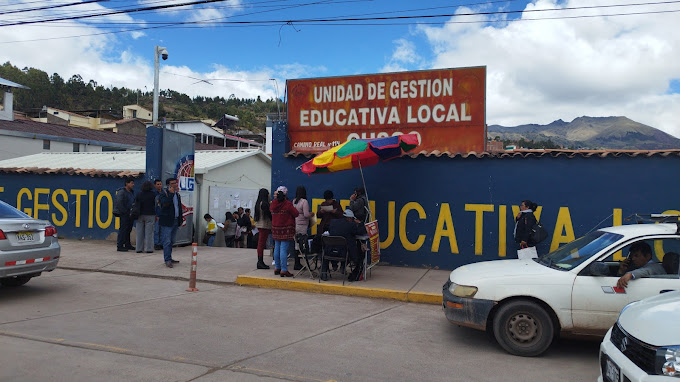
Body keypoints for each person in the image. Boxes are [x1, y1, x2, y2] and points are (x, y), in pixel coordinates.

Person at [322, 209, 368, 281]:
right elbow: (360, 232)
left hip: (330, 252)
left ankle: (323, 273)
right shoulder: (351, 225)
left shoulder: (333, 222)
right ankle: (344, 267)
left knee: (325, 252)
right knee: (358, 252)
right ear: (349, 218)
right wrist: (360, 223)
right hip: (344, 254)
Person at [270, 186, 299, 277]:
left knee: (277, 247)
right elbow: (296, 213)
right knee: (283, 249)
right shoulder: (287, 204)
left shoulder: (273, 204)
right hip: (285, 229)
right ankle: (284, 269)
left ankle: (277, 267)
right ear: (286, 194)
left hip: (275, 228)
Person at [158, 178, 183, 267]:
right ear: (168, 185)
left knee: (172, 241)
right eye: (172, 183)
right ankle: (167, 259)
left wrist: (181, 219)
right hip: (167, 221)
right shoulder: (163, 194)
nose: (175, 185)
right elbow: (165, 204)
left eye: (175, 183)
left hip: (175, 220)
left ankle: (169, 257)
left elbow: (179, 208)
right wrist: (171, 194)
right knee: (167, 241)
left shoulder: (177, 195)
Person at [292, 186, 314, 270]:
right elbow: (306, 214)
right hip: (302, 225)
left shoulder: (294, 201)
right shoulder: (304, 202)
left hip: (295, 224)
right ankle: (300, 264)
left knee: (296, 244)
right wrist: (311, 214)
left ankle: (296, 263)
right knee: (302, 243)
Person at [113, 176, 135, 252]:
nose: (133, 185)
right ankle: (120, 245)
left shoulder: (131, 192)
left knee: (128, 229)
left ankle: (127, 244)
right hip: (124, 213)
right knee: (123, 229)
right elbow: (119, 203)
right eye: (131, 183)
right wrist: (124, 212)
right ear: (127, 183)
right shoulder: (122, 192)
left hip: (130, 213)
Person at [134, 180, 157, 253]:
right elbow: (156, 205)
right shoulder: (153, 195)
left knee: (139, 232)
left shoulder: (139, 194)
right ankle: (149, 249)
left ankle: (138, 248)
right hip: (150, 214)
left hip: (139, 214)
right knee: (149, 233)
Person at [254, 188, 272, 269]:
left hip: (260, 224)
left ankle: (260, 261)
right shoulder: (265, 204)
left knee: (261, 243)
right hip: (265, 225)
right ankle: (260, 261)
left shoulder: (258, 203)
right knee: (261, 243)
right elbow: (269, 215)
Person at [153, 179, 163, 250]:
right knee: (156, 230)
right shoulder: (154, 194)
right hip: (157, 214)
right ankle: (156, 243)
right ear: (155, 185)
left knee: (163, 230)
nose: (159, 186)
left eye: (160, 184)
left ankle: (161, 243)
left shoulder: (164, 193)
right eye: (158, 184)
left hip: (163, 214)